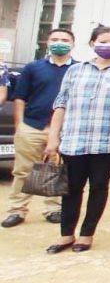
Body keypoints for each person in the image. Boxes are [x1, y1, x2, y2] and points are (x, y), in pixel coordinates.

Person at [44, 26, 110, 253]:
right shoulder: (76, 71)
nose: (108, 46)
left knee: (98, 187)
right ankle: (66, 234)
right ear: (92, 44)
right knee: (71, 189)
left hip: (106, 141)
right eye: (103, 41)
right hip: (74, 139)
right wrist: (53, 137)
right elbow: (61, 104)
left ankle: (87, 234)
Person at [3, 28, 77, 228]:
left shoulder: (79, 69)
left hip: (64, 129)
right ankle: (17, 210)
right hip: (33, 126)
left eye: (64, 39)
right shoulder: (33, 68)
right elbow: (19, 97)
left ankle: (52, 209)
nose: (59, 42)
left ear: (73, 44)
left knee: (57, 169)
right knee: (23, 171)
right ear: (47, 42)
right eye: (55, 39)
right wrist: (20, 125)